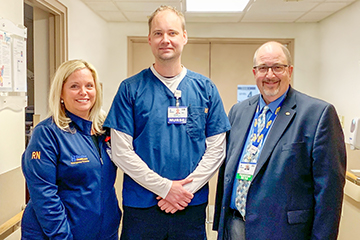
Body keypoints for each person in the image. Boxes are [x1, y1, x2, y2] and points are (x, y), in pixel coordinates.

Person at [104, 5, 230, 240]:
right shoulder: (130, 89)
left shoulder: (205, 89)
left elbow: (217, 149)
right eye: (158, 33)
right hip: (142, 206)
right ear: (149, 39)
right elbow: (121, 152)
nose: (165, 39)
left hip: (189, 205)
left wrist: (183, 192)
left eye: (172, 33)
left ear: (184, 37)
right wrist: (165, 188)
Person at [213, 41, 346, 240]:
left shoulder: (317, 115)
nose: (270, 75)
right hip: (235, 224)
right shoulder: (238, 111)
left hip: (282, 231)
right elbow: (228, 170)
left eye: (277, 67)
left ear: (289, 70)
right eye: (263, 68)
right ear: (254, 72)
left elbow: (329, 193)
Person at [21, 59, 121, 240]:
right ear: (61, 92)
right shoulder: (47, 134)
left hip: (104, 232)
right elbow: (44, 197)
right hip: (59, 235)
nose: (83, 92)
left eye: (89, 86)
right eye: (74, 86)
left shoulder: (105, 130)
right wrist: (62, 237)